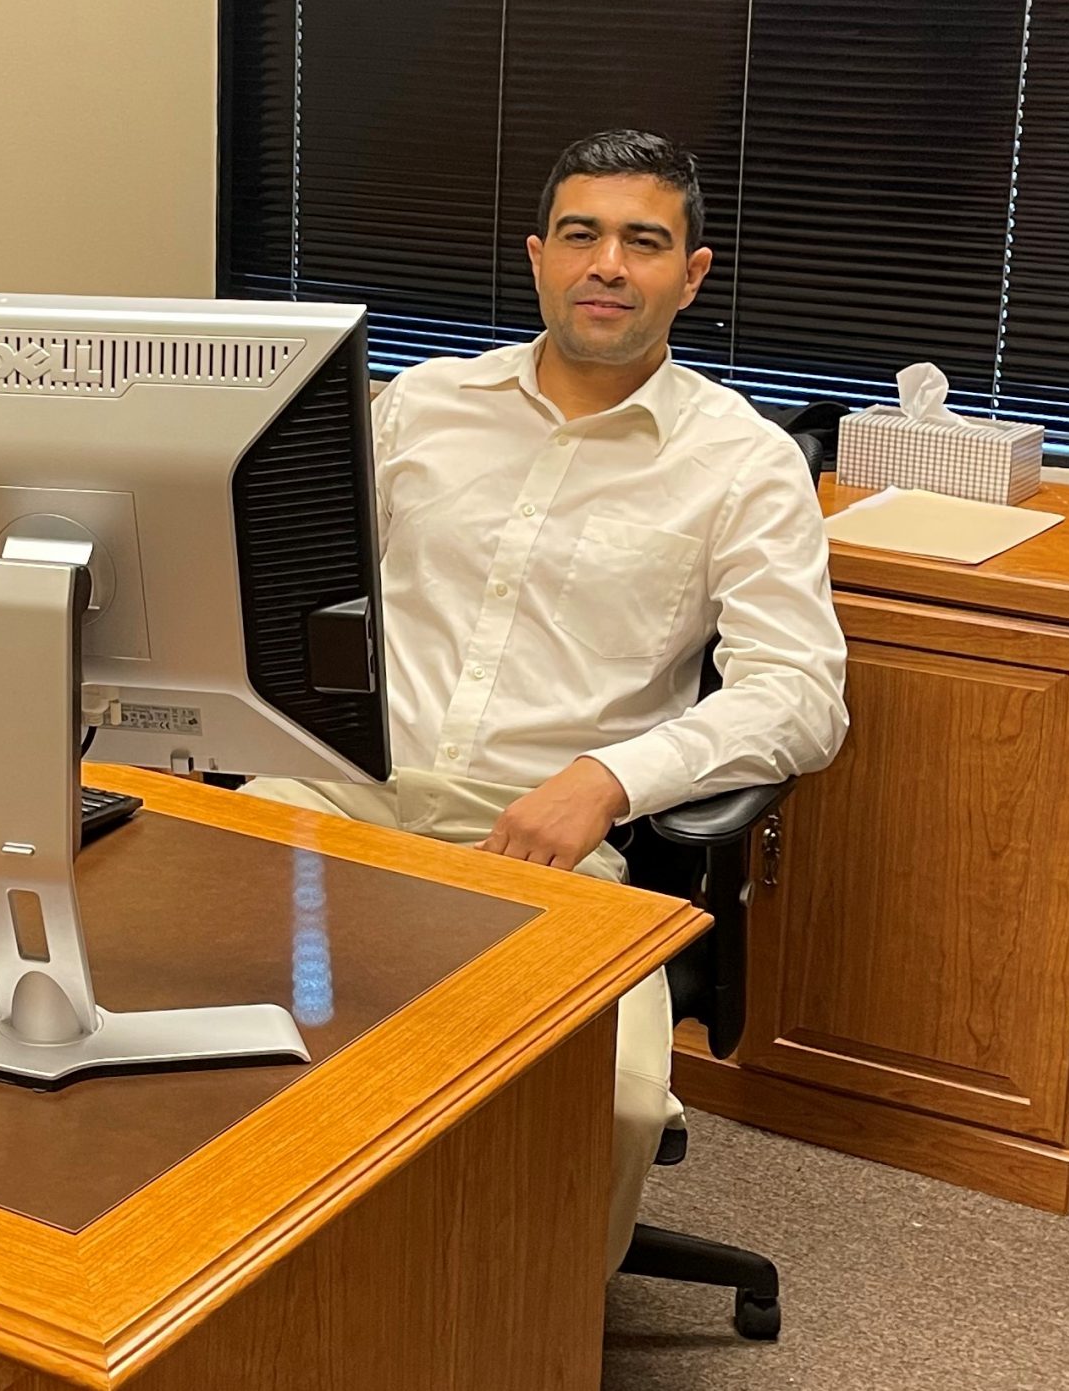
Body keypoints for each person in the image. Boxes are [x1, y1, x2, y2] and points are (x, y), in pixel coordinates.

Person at [243, 129, 848, 1279]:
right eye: (580, 234)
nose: (606, 263)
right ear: (536, 257)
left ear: (691, 272)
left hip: (545, 845)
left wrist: (607, 780)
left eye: (642, 240)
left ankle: (521, 1327)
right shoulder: (418, 406)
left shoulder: (741, 462)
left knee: (609, 1108)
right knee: (180, 1016)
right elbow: (285, 577)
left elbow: (801, 695)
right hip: (332, 793)